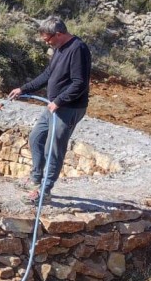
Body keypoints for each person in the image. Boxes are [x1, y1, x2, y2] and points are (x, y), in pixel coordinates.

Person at [8, 17, 92, 203]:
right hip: (54, 106)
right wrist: (24, 89)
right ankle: (35, 178)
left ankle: (44, 192)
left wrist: (59, 101)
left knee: (53, 149)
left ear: (59, 34)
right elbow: (48, 74)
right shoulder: (59, 49)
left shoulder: (78, 49)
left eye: (48, 39)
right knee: (36, 137)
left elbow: (80, 83)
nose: (47, 43)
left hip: (68, 108)